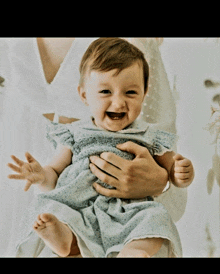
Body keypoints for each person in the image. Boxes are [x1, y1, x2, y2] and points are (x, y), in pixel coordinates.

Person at [0, 37, 187, 257]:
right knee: (55, 209)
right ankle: (66, 241)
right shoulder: (75, 133)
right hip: (78, 205)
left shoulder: (149, 134)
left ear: (145, 93)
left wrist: (181, 173)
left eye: (130, 93)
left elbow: (170, 171)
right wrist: (41, 175)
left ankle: (134, 250)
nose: (118, 103)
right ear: (84, 95)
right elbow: (55, 174)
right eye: (106, 92)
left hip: (129, 207)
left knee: (155, 218)